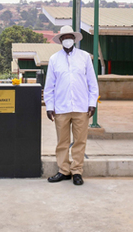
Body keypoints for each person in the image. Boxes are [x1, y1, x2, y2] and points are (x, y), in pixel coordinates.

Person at [44, 25, 99, 186]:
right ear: (60, 40)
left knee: (80, 141)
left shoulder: (84, 57)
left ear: (74, 39)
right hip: (61, 107)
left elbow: (92, 83)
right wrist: (49, 106)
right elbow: (49, 86)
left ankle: (77, 171)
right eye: (64, 38)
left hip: (81, 107)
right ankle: (63, 170)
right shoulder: (54, 59)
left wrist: (92, 103)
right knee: (62, 141)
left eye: (70, 37)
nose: (67, 40)